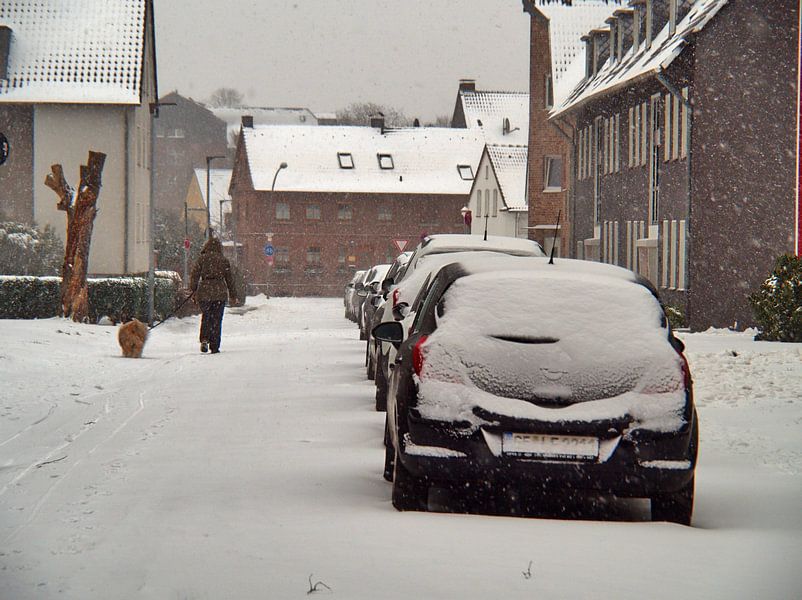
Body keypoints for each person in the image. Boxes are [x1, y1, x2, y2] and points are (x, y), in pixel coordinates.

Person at [190, 236, 238, 354]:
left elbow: (195, 275)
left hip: (205, 291)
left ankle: (204, 339)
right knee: (217, 319)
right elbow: (229, 279)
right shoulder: (223, 260)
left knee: (206, 316)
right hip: (219, 292)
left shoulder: (202, 259)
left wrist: (193, 290)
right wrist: (233, 295)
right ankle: (215, 345)